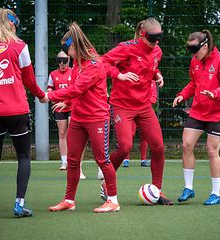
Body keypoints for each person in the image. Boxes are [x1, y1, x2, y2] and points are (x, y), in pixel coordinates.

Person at [0, 8, 46, 218]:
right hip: (17, 111)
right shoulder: (19, 46)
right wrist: (41, 96)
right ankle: (19, 205)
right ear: (12, 23)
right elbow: (29, 79)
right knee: (23, 156)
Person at [46, 22, 120, 213]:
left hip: (96, 118)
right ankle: (69, 200)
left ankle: (113, 201)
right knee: (72, 160)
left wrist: (50, 96)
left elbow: (79, 88)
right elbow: (79, 92)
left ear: (74, 46)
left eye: (66, 49)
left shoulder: (94, 64)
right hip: (78, 119)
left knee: (102, 159)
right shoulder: (78, 64)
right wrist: (68, 104)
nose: (64, 54)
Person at [101, 17, 173, 205]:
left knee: (158, 147)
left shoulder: (157, 51)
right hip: (122, 105)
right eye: (153, 36)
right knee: (125, 147)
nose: (157, 40)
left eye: (160, 36)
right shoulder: (126, 47)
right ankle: (106, 184)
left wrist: (156, 74)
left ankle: (157, 190)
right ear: (143, 34)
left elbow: (150, 66)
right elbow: (103, 63)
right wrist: (120, 75)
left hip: (144, 106)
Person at [173, 29, 220, 205]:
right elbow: (193, 84)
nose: (192, 54)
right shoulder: (195, 61)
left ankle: (216, 193)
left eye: (194, 49)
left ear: (205, 46)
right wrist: (182, 95)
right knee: (186, 145)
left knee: (212, 151)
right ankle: (188, 188)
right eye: (189, 49)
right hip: (198, 111)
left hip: (216, 114)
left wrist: (215, 94)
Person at [48, 51, 87, 179]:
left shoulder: (74, 71)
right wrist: (53, 97)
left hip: (72, 105)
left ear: (69, 60)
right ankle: (64, 161)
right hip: (60, 106)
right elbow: (49, 90)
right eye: (59, 60)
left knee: (73, 132)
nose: (62, 63)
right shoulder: (53, 74)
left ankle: (74, 161)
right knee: (62, 133)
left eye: (64, 60)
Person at [122, 80, 158, 168]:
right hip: (131, 110)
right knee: (130, 134)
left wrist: (144, 104)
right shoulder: (132, 78)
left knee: (144, 135)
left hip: (145, 111)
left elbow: (154, 97)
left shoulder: (151, 81)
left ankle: (143, 159)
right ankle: (126, 159)